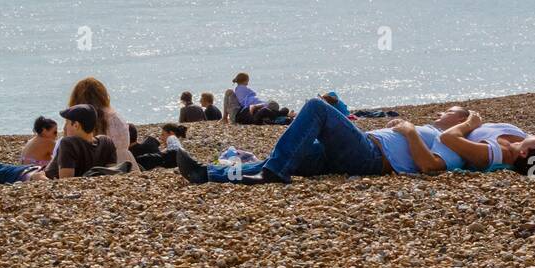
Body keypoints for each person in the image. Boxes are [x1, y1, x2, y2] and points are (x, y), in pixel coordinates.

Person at [176, 97, 470, 184]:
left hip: (371, 157)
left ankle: (274, 173)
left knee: (317, 107)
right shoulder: (435, 130)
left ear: (459, 121)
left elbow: (431, 167)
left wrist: (409, 131)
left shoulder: (451, 141)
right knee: (287, 156)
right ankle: (206, 173)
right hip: (356, 152)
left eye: (450, 112)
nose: (442, 112)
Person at [66, 77, 140, 172]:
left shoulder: (78, 119)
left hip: (96, 166)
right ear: (103, 95)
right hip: (125, 162)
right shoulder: (115, 116)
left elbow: (71, 145)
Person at [45, 104, 122, 179]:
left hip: (48, 181)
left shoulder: (68, 143)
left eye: (67, 123)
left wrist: (40, 178)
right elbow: (111, 175)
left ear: (76, 125)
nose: (64, 128)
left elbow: (65, 181)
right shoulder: (106, 142)